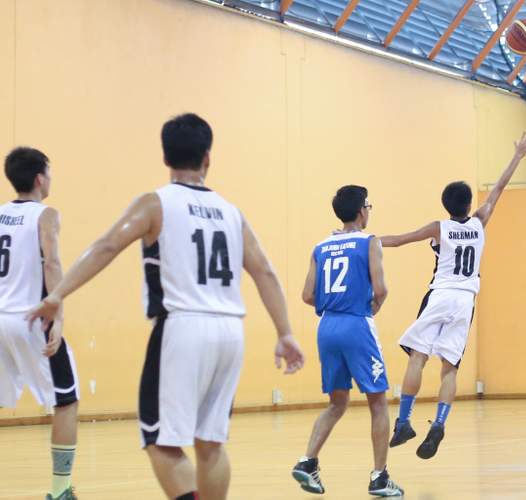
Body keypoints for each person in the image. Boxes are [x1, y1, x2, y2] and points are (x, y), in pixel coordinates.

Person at [26, 113, 305, 500]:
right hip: (229, 331)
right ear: (208, 158)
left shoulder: (156, 203)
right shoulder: (231, 212)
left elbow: (107, 246)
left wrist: (58, 294)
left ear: (165, 157)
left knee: (158, 438)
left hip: (182, 327)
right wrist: (285, 332)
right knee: (210, 442)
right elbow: (266, 274)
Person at [383, 133, 526, 460]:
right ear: (469, 204)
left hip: (441, 293)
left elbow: (398, 240)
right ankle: (439, 422)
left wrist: (366, 240)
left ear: (445, 205)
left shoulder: (439, 227)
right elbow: (498, 189)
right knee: (449, 368)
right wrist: (518, 156)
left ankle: (405, 421)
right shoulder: (480, 221)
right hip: (466, 300)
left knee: (417, 357)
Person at [292, 185, 403, 497]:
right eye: (369, 205)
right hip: (356, 324)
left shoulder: (321, 246)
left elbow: (306, 295)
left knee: (337, 403)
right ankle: (380, 477)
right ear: (360, 211)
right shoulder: (369, 242)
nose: (369, 210)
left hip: (326, 327)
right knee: (379, 401)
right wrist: (372, 308)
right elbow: (381, 289)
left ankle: (307, 460)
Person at [0, 147, 78, 500]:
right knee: (66, 400)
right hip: (29, 319)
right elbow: (52, 262)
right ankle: (60, 490)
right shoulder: (46, 215)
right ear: (39, 178)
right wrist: (57, 314)